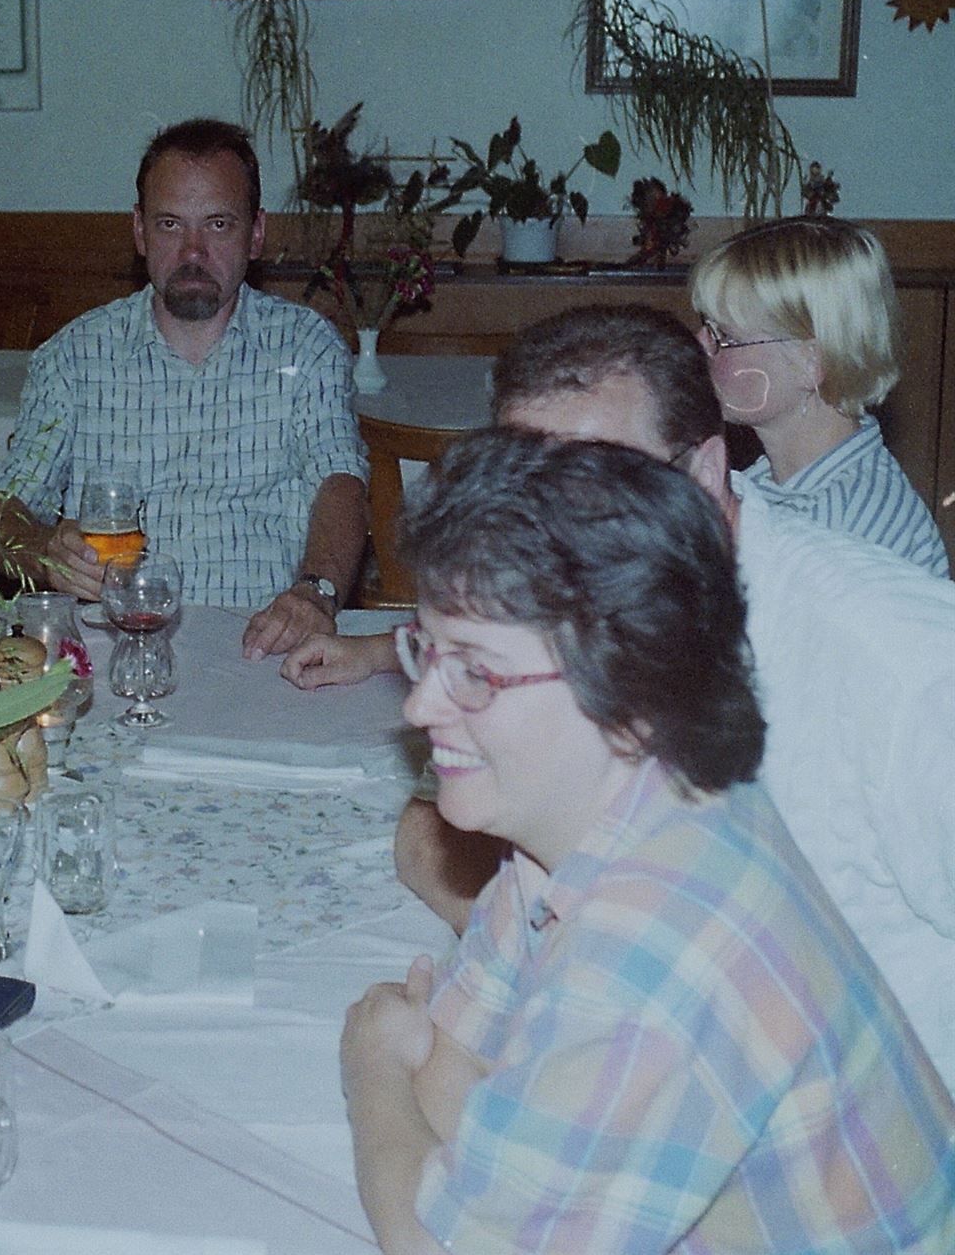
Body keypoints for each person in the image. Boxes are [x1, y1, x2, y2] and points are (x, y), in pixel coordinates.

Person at [308, 304, 955, 1086]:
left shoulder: (899, 662)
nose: (548, 537)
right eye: (527, 495)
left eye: (596, 490)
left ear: (704, 477)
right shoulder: (570, 630)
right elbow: (429, 833)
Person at [344, 428, 955, 1253]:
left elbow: (440, 1235)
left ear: (627, 691)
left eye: (476, 671)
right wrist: (414, 1089)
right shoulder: (582, 821)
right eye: (427, 651)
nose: (419, 707)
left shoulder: (655, 941)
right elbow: (455, 1081)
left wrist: (372, 1070)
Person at [0, 117, 368, 658]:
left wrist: (316, 591)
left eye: (218, 225)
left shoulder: (307, 347)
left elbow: (341, 481)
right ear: (139, 232)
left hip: (264, 643)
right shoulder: (74, 357)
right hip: (111, 650)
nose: (192, 252)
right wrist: (43, 549)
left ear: (256, 234)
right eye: (170, 225)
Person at [690, 216, 946, 576]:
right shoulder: (771, 483)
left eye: (724, 336)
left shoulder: (844, 525)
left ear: (811, 363)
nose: (699, 345)